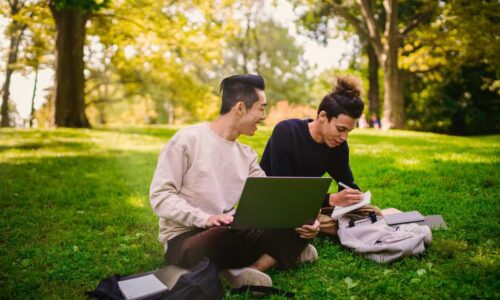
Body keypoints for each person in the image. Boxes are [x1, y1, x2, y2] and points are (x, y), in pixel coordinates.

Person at [149, 74, 320, 288]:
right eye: (261, 108)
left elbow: (272, 200)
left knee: (291, 223)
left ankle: (250, 270)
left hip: (229, 228)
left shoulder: (246, 154)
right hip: (186, 240)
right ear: (240, 108)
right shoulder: (187, 140)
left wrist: (304, 220)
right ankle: (283, 253)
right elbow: (161, 196)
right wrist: (204, 218)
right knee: (223, 237)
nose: (264, 116)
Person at [260, 76, 365, 216]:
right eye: (340, 129)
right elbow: (284, 191)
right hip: (274, 204)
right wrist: (331, 199)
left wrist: (355, 198)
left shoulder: (338, 145)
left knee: (370, 213)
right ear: (322, 116)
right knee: (301, 221)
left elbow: (346, 183)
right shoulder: (286, 132)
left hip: (308, 205)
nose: (344, 137)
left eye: (348, 131)